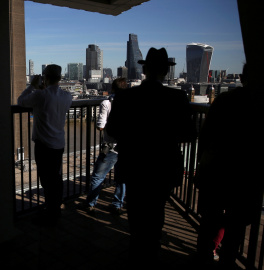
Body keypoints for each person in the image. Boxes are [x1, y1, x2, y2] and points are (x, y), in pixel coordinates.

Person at [106, 48, 197, 268]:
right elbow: (189, 134)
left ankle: (137, 255)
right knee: (156, 212)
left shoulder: (125, 96)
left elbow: (112, 131)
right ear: (166, 71)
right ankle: (151, 255)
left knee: (136, 212)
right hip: (163, 167)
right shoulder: (177, 97)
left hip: (134, 165)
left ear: (144, 69)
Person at [195, 63, 264, 269]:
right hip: (246, 176)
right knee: (236, 225)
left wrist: (202, 163)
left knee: (209, 219)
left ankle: (203, 257)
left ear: (242, 78)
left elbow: (205, 136)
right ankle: (227, 260)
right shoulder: (260, 104)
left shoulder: (224, 100)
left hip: (217, 170)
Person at [17, 64, 72, 226]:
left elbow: (21, 102)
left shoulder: (40, 95)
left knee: (46, 181)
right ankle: (55, 209)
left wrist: (32, 87)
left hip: (43, 145)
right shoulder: (67, 96)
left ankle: (51, 213)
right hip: (59, 143)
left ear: (45, 77)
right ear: (60, 78)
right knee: (56, 178)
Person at [83, 77, 127, 214]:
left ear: (112, 88)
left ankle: (91, 204)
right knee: (122, 177)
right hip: (126, 146)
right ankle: (117, 204)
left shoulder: (107, 103)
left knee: (98, 176)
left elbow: (100, 126)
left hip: (110, 147)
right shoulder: (131, 102)